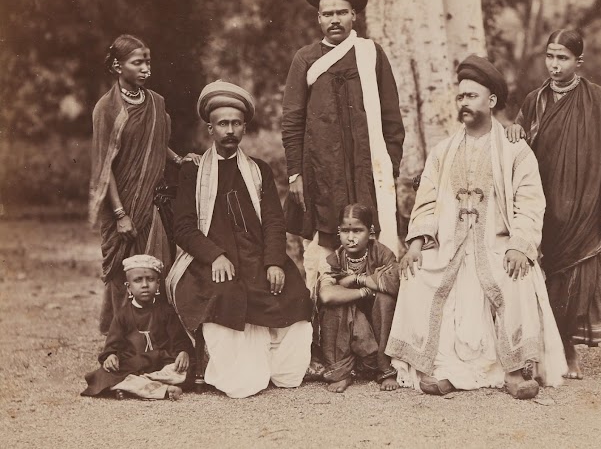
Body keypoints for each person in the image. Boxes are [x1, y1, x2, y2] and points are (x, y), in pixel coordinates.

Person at [386, 55, 567, 399]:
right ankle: (443, 368)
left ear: (492, 100)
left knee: (515, 277)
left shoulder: (516, 151)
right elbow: (425, 200)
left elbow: (530, 203)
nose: (463, 103)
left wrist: (520, 244)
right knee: (417, 274)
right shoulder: (443, 150)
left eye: (471, 96)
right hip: (450, 246)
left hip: (497, 246)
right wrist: (416, 242)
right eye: (460, 97)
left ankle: (514, 372)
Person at [167, 80, 313, 399]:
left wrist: (274, 261)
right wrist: (214, 256)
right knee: (225, 297)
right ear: (210, 128)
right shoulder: (193, 172)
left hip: (258, 257)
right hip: (216, 262)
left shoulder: (258, 170)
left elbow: (274, 221)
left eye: (236, 123)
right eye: (223, 124)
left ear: (244, 127)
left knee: (294, 294)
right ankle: (237, 370)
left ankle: (280, 367)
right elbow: (184, 227)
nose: (230, 130)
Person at [506, 29, 601, 380]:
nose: (554, 64)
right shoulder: (535, 101)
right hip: (553, 210)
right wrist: (515, 130)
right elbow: (518, 135)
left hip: (590, 209)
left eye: (562, 57)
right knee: (559, 284)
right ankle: (568, 350)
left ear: (578, 62)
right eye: (550, 56)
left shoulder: (598, 99)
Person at [282, 0, 405, 292]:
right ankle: (325, 322)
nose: (334, 19)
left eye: (341, 13)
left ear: (354, 16)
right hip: (322, 173)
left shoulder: (371, 54)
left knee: (372, 242)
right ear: (318, 19)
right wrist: (296, 173)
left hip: (367, 173)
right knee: (324, 252)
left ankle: (376, 320)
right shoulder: (305, 59)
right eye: (327, 14)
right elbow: (292, 120)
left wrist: (389, 167)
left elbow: (392, 118)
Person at [89, 34, 199, 334]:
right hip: (120, 205)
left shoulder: (155, 102)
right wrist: (121, 214)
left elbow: (157, 144)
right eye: (137, 63)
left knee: (154, 264)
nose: (145, 69)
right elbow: (104, 167)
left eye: (147, 62)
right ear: (117, 65)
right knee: (121, 270)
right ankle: (121, 336)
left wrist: (179, 161)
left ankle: (153, 334)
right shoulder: (106, 108)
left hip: (152, 200)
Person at [81, 255, 191, 400]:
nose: (145, 285)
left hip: (161, 363)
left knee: (183, 370)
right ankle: (163, 390)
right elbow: (112, 345)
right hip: (134, 363)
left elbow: (179, 340)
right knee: (103, 375)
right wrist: (110, 356)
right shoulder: (122, 315)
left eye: (150, 279)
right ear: (129, 287)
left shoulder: (166, 311)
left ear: (158, 284)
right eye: (138, 280)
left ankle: (132, 387)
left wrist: (183, 353)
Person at [317, 203, 400, 393]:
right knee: (335, 305)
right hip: (348, 332)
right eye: (345, 231)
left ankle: (385, 368)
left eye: (357, 230)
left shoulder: (383, 254)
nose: (351, 238)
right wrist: (363, 290)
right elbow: (327, 295)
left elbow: (394, 282)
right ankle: (342, 371)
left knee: (385, 298)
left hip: (377, 330)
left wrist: (355, 279)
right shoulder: (334, 259)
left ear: (370, 231)